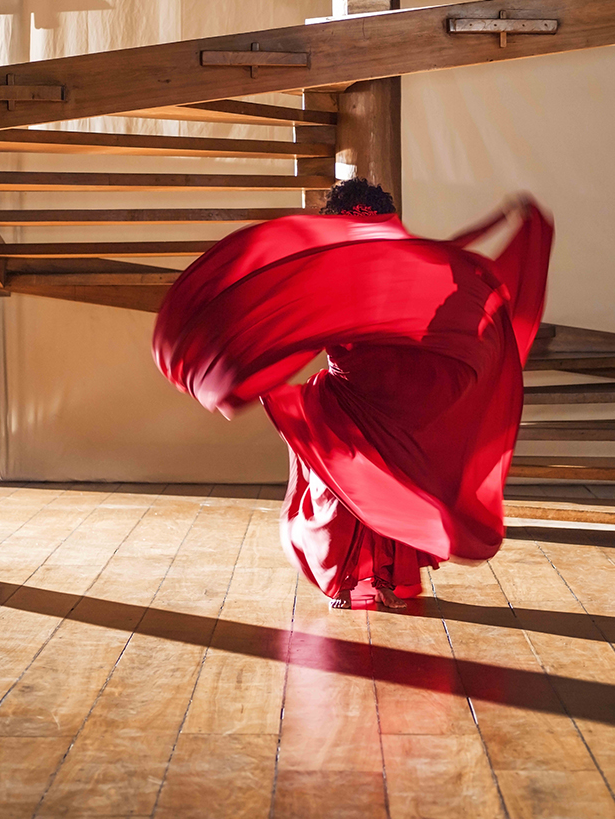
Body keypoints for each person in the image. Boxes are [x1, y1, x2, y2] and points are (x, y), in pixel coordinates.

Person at [152, 178, 552, 610]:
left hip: (390, 396)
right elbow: (303, 330)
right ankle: (355, 579)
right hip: (356, 393)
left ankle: (375, 578)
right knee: (355, 485)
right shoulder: (344, 268)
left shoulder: (393, 263)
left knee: (381, 483)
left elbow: (449, 276)